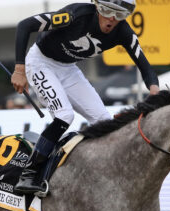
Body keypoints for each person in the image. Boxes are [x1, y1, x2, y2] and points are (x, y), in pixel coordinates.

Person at [11, 0, 159, 194]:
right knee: (64, 115)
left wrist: (156, 95)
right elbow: (25, 25)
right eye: (107, 11)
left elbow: (145, 66)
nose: (111, 20)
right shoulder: (76, 15)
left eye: (120, 15)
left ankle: (103, 172)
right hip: (40, 62)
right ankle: (29, 174)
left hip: (68, 68)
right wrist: (19, 69)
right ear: (97, 6)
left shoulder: (123, 32)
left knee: (104, 121)